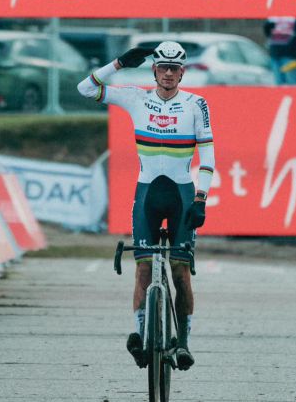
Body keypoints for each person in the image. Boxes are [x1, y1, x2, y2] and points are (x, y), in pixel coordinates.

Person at [76, 41, 215, 371]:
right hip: (148, 194)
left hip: (182, 196)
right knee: (142, 269)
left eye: (175, 68)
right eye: (163, 67)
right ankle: (141, 335)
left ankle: (182, 344)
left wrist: (200, 199)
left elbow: (208, 156)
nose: (168, 73)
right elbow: (85, 88)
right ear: (153, 69)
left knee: (180, 274)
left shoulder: (197, 104)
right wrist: (120, 63)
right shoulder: (136, 97)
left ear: (183, 72)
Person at [263, 17, 296, 85]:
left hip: (289, 54)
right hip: (275, 54)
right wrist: (268, 27)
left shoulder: (293, 18)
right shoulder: (273, 17)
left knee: (291, 80)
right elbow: (267, 32)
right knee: (278, 81)